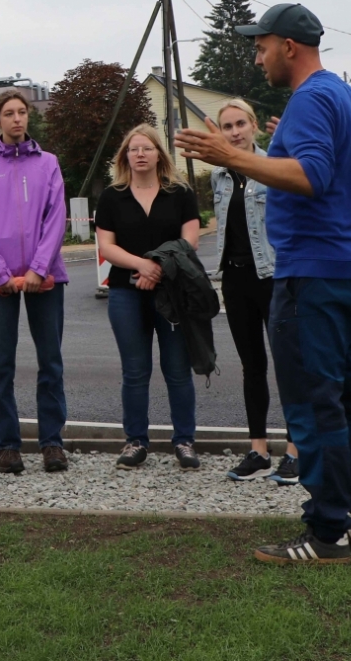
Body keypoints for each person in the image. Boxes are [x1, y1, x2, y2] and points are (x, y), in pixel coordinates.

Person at [176, 2, 351, 565]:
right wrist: (276, 149)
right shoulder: (345, 96)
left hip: (309, 278)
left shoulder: (308, 100)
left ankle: (326, 534)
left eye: (262, 46)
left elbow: (312, 175)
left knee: (314, 404)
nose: (257, 57)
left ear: (289, 47)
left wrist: (232, 155)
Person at [0, 90, 71, 475]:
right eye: (8, 113)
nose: (16, 119)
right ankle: (7, 446)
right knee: (1, 365)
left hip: (45, 278)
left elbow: (56, 217)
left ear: (29, 117)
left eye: (22, 112)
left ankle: (52, 443)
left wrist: (39, 269)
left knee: (51, 363)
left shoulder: (49, 164)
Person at [95, 126, 203, 471]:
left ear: (159, 154)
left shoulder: (181, 192)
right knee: (135, 371)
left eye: (147, 148)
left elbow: (190, 241)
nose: (140, 154)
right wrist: (142, 264)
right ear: (125, 156)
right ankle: (135, 442)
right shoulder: (112, 196)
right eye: (133, 149)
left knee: (177, 370)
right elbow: (106, 247)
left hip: (173, 292)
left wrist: (158, 266)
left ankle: (184, 441)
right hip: (127, 293)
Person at [208, 99, 301, 485]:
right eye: (227, 126)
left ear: (254, 126)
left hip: (273, 276)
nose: (234, 132)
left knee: (290, 365)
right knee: (252, 366)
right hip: (235, 277)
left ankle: (296, 451)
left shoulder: (272, 168)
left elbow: (297, 206)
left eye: (240, 124)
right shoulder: (219, 176)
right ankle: (258, 450)